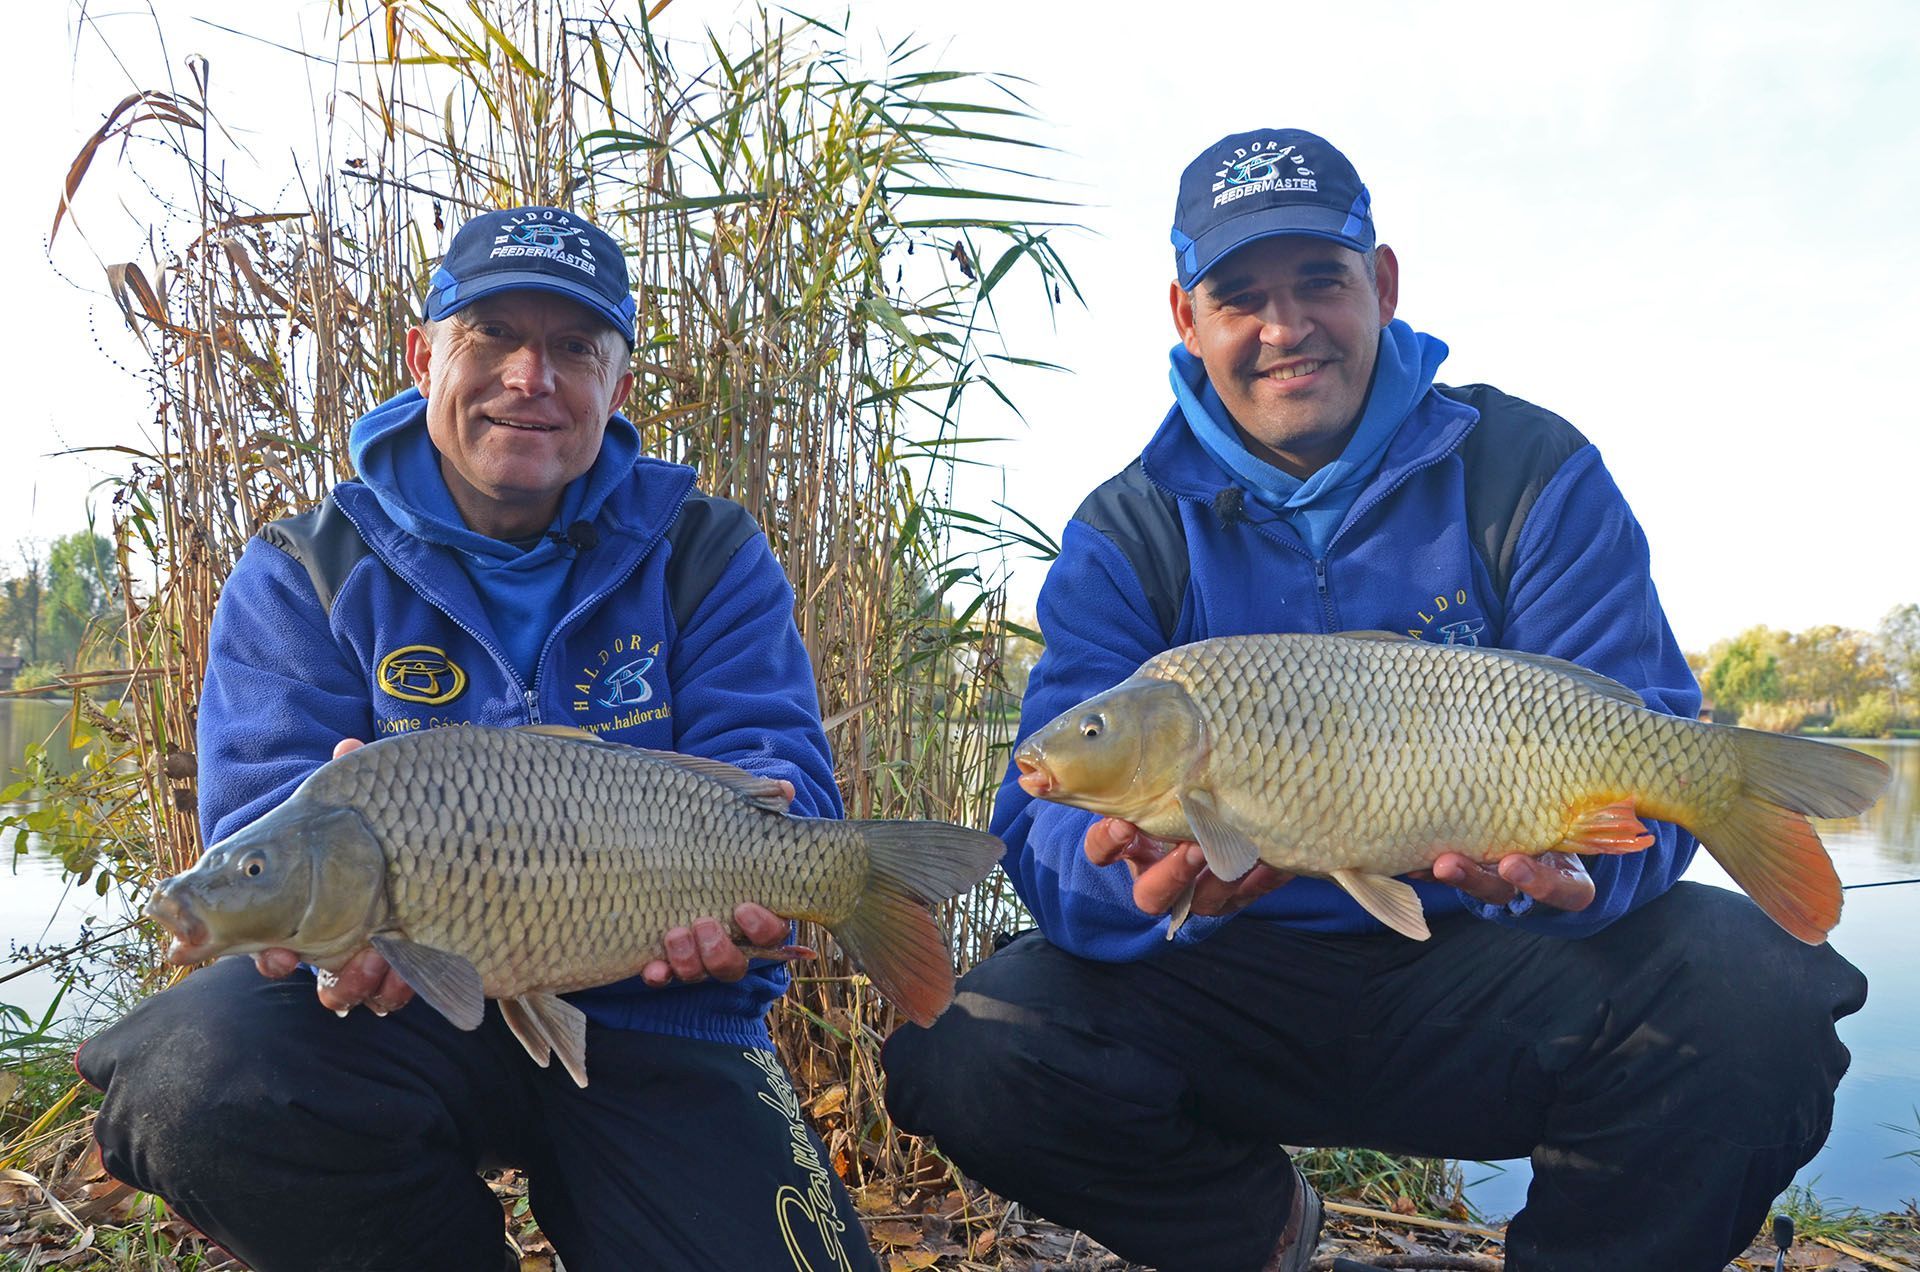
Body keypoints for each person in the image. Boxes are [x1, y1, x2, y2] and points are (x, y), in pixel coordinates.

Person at [881, 129, 1869, 1272]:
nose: (1284, 327)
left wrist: (1571, 881)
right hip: (1218, 987)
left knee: (1755, 988)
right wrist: (1135, 887)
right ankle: (1254, 1232)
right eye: (1240, 295)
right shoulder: (1127, 530)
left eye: (1320, 283)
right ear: (1185, 317)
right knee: (960, 1038)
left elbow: (1626, 739)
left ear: (1383, 285)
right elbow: (1044, 824)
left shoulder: (1529, 470)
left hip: (1487, 973)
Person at [78, 207, 882, 1272]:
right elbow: (257, 827)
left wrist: (752, 899)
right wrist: (325, 937)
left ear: (618, 386)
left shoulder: (706, 548)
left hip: (661, 1014)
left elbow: (777, 775)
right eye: (493, 334)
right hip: (387, 1025)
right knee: (192, 1074)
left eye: (573, 349)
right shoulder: (304, 568)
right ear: (425, 357)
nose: (530, 376)